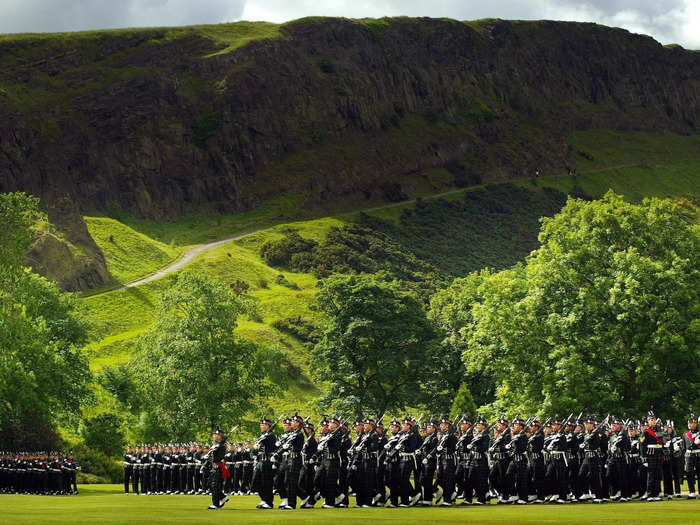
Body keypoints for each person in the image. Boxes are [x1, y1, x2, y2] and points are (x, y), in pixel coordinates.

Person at [252, 415, 278, 509]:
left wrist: (263, 440)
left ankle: (269, 502)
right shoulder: (262, 436)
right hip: (260, 461)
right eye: (261, 425)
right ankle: (263, 499)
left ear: (268, 426)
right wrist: (254, 453)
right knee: (256, 482)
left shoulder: (271, 436)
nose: (261, 427)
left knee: (267, 483)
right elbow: (255, 450)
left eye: (263, 425)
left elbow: (271, 447)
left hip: (267, 461)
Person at [641, 411, 664, 502]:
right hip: (650, 456)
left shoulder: (659, 431)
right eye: (651, 420)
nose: (653, 421)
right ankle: (650, 494)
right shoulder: (646, 432)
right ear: (648, 421)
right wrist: (644, 459)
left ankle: (657, 494)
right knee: (651, 476)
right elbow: (642, 446)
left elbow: (661, 443)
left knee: (658, 475)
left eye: (654, 419)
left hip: (658, 455)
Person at [205, 427, 230, 510]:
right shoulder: (215, 445)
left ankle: (215, 504)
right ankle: (223, 497)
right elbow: (211, 458)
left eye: (216, 435)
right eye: (214, 434)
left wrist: (214, 451)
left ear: (220, 436)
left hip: (218, 467)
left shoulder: (222, 446)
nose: (214, 436)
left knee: (215, 485)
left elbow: (219, 458)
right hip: (213, 467)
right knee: (210, 484)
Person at [417, 418, 438, 506]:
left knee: (427, 480)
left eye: (429, 427)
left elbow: (434, 450)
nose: (427, 429)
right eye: (427, 427)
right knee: (422, 480)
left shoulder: (434, 438)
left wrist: (428, 457)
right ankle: (436, 491)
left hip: (430, 462)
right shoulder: (427, 437)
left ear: (434, 429)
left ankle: (428, 500)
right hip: (424, 461)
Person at [299, 419, 318, 508]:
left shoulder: (312, 441)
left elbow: (313, 453)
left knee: (308, 484)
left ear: (310, 430)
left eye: (307, 429)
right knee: (302, 483)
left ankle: (311, 500)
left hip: (309, 464)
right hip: (304, 464)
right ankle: (309, 497)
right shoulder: (308, 439)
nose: (305, 430)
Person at [683, 415, 700, 499]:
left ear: (696, 424)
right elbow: (684, 447)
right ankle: (692, 492)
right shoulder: (685, 434)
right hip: (689, 456)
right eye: (689, 423)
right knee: (689, 474)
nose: (690, 424)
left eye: (692, 423)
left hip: (698, 455)